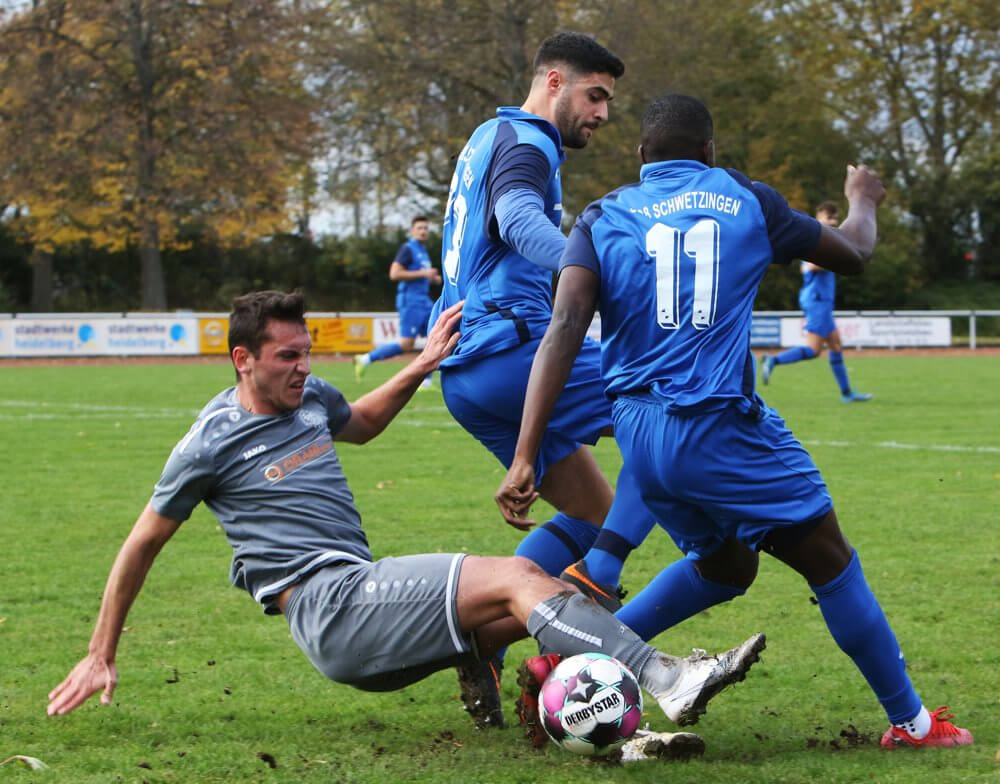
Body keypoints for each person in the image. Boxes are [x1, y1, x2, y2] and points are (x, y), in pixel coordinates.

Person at [46, 289, 766, 761]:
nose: (304, 366)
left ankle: (612, 732)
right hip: (333, 606)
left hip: (361, 607)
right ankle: (665, 675)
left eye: (308, 351)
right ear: (242, 360)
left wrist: (421, 365)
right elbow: (141, 542)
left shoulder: (310, 399)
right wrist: (102, 651)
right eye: (286, 357)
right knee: (520, 580)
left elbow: (357, 423)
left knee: (555, 593)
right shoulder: (208, 442)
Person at [496, 94, 973, 749]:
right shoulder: (747, 198)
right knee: (832, 564)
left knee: (726, 566)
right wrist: (862, 198)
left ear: (641, 157)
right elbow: (856, 251)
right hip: (720, 429)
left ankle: (575, 663)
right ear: (711, 151)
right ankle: (914, 726)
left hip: (639, 437)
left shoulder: (601, 216)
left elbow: (565, 328)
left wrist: (525, 454)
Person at [428, 31, 658, 731]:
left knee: (593, 512)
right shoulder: (529, 141)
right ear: (554, 82)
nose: (603, 114)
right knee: (674, 417)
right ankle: (592, 596)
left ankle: (483, 639)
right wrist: (586, 269)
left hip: (468, 375)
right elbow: (518, 218)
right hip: (514, 355)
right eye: (596, 96)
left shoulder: (487, 137)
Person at [760, 201, 872, 402]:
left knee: (836, 345)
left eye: (835, 218)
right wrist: (840, 260)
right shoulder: (818, 243)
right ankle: (773, 360)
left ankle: (847, 394)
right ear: (819, 218)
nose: (833, 221)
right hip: (817, 301)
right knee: (813, 350)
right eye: (829, 217)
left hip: (822, 303)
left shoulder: (828, 242)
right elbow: (809, 267)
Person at [355, 216, 442, 388]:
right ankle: (364, 359)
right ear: (411, 231)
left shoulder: (422, 251)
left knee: (436, 335)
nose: (423, 231)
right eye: (419, 228)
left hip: (424, 301)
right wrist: (424, 274)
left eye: (426, 228)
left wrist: (432, 279)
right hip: (410, 302)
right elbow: (394, 274)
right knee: (406, 344)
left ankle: (426, 382)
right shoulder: (407, 249)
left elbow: (419, 275)